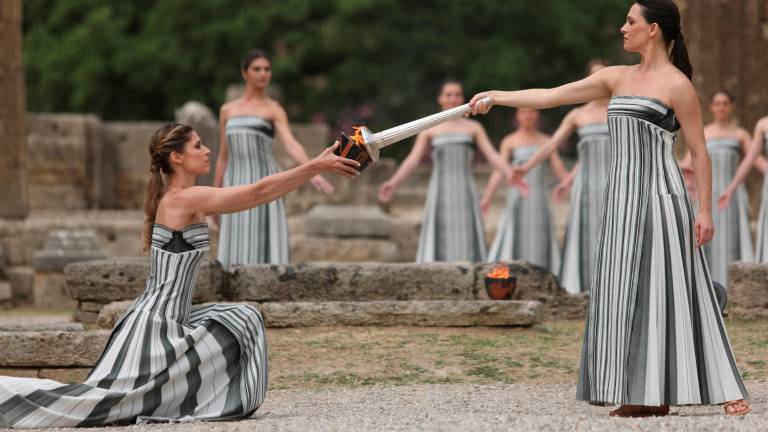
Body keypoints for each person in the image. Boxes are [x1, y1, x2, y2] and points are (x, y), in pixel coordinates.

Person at [469, 0, 749, 416]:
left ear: (653, 29)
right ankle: (636, 391)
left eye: (630, 21)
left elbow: (700, 154)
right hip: (619, 199)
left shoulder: (677, 86)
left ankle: (709, 388)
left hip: (662, 197)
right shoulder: (615, 78)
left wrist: (705, 211)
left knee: (673, 287)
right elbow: (551, 96)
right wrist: (497, 96)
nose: (623, 28)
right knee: (621, 292)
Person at [0, 124, 359, 428]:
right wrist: (315, 165)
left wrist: (317, 165)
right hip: (156, 324)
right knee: (88, 406)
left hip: (169, 318)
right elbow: (258, 192)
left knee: (242, 317)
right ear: (177, 157)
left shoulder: (182, 197)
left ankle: (196, 401)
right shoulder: (181, 199)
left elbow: (258, 194)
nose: (207, 151)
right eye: (198, 146)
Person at [494, 59, 610, 290]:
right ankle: (585, 287)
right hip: (586, 185)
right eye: (594, 76)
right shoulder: (577, 115)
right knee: (587, 232)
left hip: (618, 180)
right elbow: (551, 145)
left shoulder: (622, 109)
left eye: (604, 75)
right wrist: (526, 168)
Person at [214, 49, 335, 266]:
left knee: (262, 237)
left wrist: (312, 169)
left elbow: (290, 143)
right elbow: (223, 155)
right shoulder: (227, 110)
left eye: (267, 69)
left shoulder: (274, 109)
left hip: (265, 180)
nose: (263, 74)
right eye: (257, 69)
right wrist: (215, 196)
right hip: (235, 181)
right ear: (245, 73)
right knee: (236, 235)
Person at [378, 79, 512, 262]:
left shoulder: (474, 128)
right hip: (440, 191)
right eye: (449, 94)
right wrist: (393, 182)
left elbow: (492, 156)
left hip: (466, 191)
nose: (453, 98)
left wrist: (511, 174)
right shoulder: (428, 127)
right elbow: (413, 159)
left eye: (457, 94)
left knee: (466, 231)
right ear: (440, 98)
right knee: (441, 231)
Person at [679, 91, 754, 287]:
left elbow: (754, 158)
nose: (721, 107)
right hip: (707, 196)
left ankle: (734, 288)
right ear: (711, 107)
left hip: (731, 196)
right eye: (717, 103)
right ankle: (707, 288)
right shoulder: (703, 132)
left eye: (725, 103)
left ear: (731, 107)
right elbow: (688, 163)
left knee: (731, 238)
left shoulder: (740, 134)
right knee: (706, 240)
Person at [481, 108, 567, 271]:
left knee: (539, 233)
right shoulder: (509, 141)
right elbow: (499, 170)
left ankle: (542, 271)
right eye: (523, 112)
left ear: (538, 115)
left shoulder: (546, 140)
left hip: (539, 198)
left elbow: (558, 167)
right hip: (517, 196)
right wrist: (487, 196)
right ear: (517, 116)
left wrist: (568, 183)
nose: (528, 115)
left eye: (532, 111)